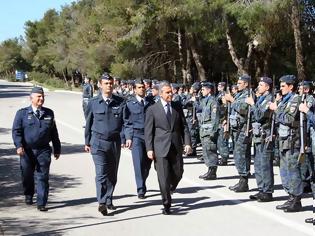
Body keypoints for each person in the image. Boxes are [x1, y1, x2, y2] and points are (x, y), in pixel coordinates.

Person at [145, 81, 192, 215]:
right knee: (163, 176)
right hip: (160, 147)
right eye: (167, 92)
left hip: (176, 146)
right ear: (160, 94)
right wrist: (149, 149)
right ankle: (166, 203)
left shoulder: (177, 107)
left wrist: (187, 143)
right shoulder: (152, 109)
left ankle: (169, 188)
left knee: (178, 172)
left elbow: (184, 127)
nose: (170, 94)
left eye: (171, 91)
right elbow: (148, 131)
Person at [84, 73, 127, 216]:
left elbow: (126, 122)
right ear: (100, 85)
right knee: (101, 174)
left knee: (112, 175)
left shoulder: (120, 102)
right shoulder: (93, 102)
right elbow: (88, 122)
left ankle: (109, 198)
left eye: (110, 83)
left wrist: (127, 137)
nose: (109, 86)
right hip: (98, 142)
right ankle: (102, 202)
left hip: (114, 142)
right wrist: (87, 142)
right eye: (106, 83)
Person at [12, 86, 61, 212]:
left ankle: (41, 202)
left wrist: (57, 148)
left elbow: (54, 132)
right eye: (39, 96)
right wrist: (19, 146)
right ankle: (28, 194)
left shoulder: (49, 113)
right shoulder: (22, 113)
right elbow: (16, 131)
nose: (41, 99)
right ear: (31, 98)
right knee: (27, 175)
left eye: (43, 96)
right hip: (26, 151)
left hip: (43, 150)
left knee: (43, 177)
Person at [269, 75, 303, 212]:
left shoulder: (295, 100)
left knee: (292, 170)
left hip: (292, 141)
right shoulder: (284, 100)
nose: (281, 89)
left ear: (291, 87)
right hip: (283, 140)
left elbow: (289, 118)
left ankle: (296, 199)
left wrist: (276, 109)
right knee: (284, 170)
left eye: (283, 86)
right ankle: (290, 197)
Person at [124, 79, 155, 199]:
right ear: (134, 89)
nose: (142, 89)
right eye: (139, 87)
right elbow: (126, 122)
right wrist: (127, 137)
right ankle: (140, 188)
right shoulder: (129, 103)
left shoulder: (151, 103)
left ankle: (143, 180)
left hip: (149, 136)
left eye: (143, 87)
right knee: (138, 163)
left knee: (147, 164)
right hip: (136, 136)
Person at [245, 77, 274, 202]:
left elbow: (260, 115)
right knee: (257, 163)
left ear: (267, 87)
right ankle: (261, 189)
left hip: (265, 136)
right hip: (257, 136)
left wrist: (252, 103)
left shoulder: (269, 99)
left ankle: (267, 191)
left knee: (265, 164)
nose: (259, 87)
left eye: (261, 85)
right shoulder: (261, 99)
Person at [224, 75, 252, 192]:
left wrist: (232, 100)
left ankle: (244, 181)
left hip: (243, 129)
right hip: (236, 129)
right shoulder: (239, 94)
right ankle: (241, 179)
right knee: (237, 155)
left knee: (241, 155)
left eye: (240, 83)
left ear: (246, 84)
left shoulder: (248, 95)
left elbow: (243, 110)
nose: (237, 84)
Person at [197, 82, 220, 180]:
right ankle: (209, 169)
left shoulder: (213, 102)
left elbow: (215, 118)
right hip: (204, 131)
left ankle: (213, 172)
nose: (201, 91)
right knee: (206, 150)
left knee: (211, 150)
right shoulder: (206, 100)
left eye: (203, 89)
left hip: (209, 131)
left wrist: (213, 132)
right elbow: (199, 106)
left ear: (209, 90)